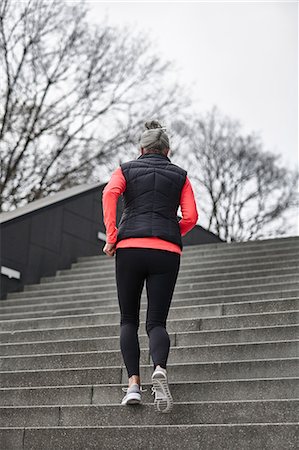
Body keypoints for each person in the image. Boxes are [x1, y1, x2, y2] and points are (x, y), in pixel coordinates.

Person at [101, 120, 198, 413]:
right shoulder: (180, 175)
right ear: (168, 150)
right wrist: (168, 232)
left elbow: (109, 194)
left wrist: (112, 236)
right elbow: (191, 216)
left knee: (128, 320)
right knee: (156, 322)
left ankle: (133, 385)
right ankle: (160, 369)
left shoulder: (126, 169)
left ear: (141, 148)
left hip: (130, 247)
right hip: (166, 252)